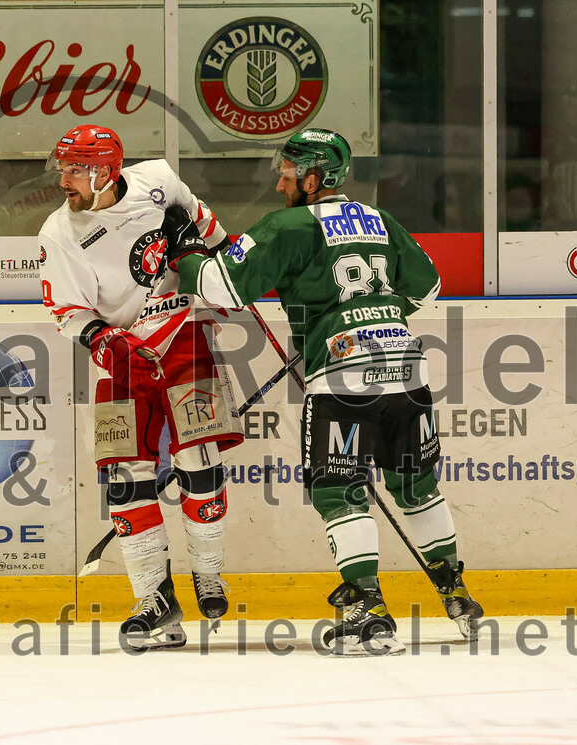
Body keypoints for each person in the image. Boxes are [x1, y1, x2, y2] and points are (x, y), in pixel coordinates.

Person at [165, 127, 484, 656]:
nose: (279, 187)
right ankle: (456, 591)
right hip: (406, 368)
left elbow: (223, 285)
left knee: (340, 492)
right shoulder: (380, 220)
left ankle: (367, 610)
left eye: (287, 176)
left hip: (343, 378)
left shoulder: (291, 225)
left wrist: (187, 255)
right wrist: (373, 321)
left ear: (313, 179)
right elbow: (427, 285)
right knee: (417, 485)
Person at [38, 124, 244, 650]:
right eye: (61, 168)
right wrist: (103, 338)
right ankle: (154, 602)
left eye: (74, 169)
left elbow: (217, 240)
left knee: (200, 460)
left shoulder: (158, 179)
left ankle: (208, 573)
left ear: (106, 172)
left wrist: (206, 252)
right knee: (125, 478)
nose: (64, 179)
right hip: (122, 361)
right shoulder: (59, 233)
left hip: (184, 340)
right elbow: (66, 309)